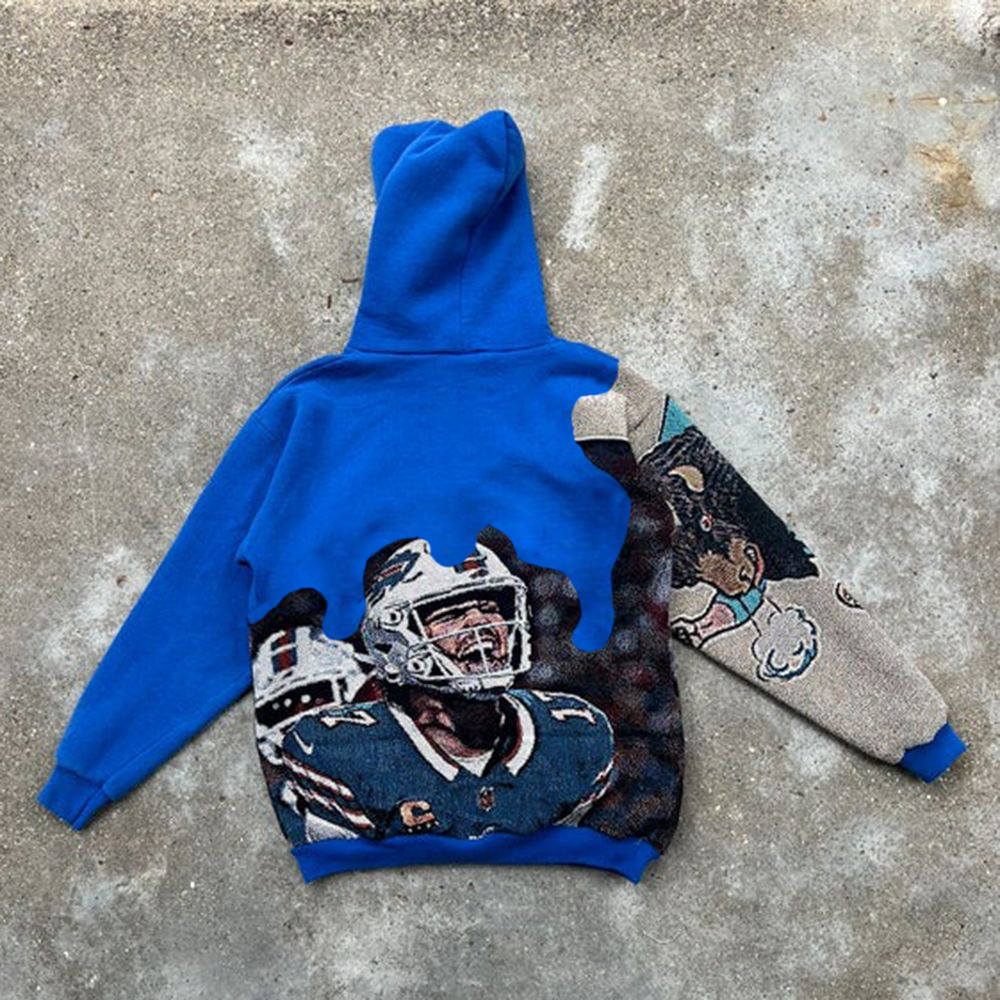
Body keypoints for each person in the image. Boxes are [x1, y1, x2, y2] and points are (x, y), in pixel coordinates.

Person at [274, 538, 617, 844]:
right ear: (392, 643)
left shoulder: (574, 733)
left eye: (490, 608)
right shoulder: (340, 750)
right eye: (452, 613)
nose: (480, 623)